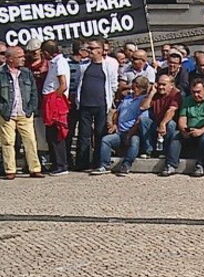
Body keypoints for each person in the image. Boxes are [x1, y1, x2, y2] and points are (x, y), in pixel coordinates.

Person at [91, 76, 151, 176]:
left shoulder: (144, 100)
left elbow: (139, 120)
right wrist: (115, 124)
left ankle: (126, 165)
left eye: (137, 87)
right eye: (134, 86)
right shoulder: (127, 98)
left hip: (133, 131)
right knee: (106, 140)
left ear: (142, 88)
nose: (134, 89)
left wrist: (130, 133)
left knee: (134, 142)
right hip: (120, 131)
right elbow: (117, 112)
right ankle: (104, 165)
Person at [75, 40, 119, 171]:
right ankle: (82, 162)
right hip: (85, 104)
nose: (89, 51)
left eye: (92, 48)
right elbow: (79, 82)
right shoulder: (84, 65)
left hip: (101, 104)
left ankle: (98, 161)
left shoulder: (109, 65)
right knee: (84, 135)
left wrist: (110, 102)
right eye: (88, 48)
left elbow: (113, 84)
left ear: (100, 50)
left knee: (100, 134)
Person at [162, 79, 204, 177]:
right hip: (190, 130)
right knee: (176, 135)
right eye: (193, 92)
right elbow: (182, 118)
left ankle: (201, 166)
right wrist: (183, 129)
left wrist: (200, 131)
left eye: (198, 92)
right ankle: (171, 165)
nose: (196, 95)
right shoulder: (188, 100)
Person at [0, 46, 43, 179]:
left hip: (24, 112)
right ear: (10, 59)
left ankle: (34, 168)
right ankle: (10, 170)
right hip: (8, 113)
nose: (23, 59)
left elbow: (33, 92)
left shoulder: (26, 73)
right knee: (8, 142)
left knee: (30, 140)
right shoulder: (1, 74)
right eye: (20, 57)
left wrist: (31, 108)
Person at [39, 40, 70, 175]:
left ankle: (61, 165)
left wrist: (54, 99)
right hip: (50, 99)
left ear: (46, 53)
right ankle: (55, 163)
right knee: (50, 134)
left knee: (57, 133)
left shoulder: (60, 62)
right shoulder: (53, 62)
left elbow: (63, 84)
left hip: (55, 100)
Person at [139, 75, 180, 160]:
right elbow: (143, 107)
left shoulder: (176, 94)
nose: (161, 87)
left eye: (164, 85)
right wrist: (152, 93)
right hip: (156, 122)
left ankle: (165, 152)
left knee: (171, 124)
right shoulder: (155, 94)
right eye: (159, 84)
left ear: (171, 85)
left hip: (168, 123)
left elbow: (171, 111)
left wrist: (163, 123)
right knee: (144, 121)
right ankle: (148, 151)